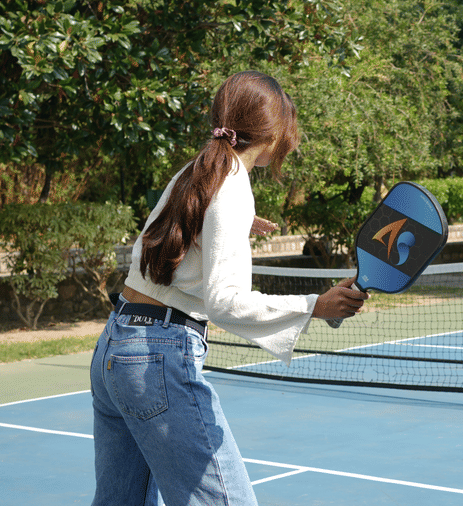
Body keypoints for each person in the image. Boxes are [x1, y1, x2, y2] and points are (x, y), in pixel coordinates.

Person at [89, 71, 370, 505]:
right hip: (156, 358)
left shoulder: (197, 172)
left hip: (116, 345)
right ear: (275, 133)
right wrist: (316, 305)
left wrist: (232, 225)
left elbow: (163, 242)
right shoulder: (230, 185)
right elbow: (225, 303)